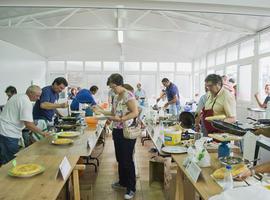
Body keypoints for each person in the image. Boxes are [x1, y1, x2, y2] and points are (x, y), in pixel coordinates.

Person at [97, 74, 139, 200]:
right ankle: (122, 182)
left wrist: (120, 119)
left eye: (113, 86)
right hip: (117, 130)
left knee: (127, 160)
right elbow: (113, 113)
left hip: (127, 132)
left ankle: (131, 188)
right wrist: (100, 111)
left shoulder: (128, 95)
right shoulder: (116, 96)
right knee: (120, 158)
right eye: (110, 87)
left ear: (119, 84)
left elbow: (135, 112)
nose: (112, 89)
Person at [0, 85, 50, 164]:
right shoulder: (26, 101)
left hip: (3, 131)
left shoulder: (18, 96)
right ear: (30, 93)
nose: (38, 98)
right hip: (8, 133)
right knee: (10, 162)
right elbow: (28, 124)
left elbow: (22, 119)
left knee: (5, 158)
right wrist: (43, 133)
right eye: (37, 96)